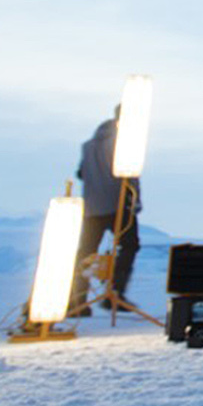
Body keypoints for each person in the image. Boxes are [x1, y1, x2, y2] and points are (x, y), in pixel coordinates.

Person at [68, 108, 140, 316]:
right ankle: (115, 293)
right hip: (117, 203)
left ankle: (76, 300)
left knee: (86, 252)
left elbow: (81, 173)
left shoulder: (89, 146)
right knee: (129, 246)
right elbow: (131, 176)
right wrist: (135, 201)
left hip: (92, 207)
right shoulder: (124, 142)